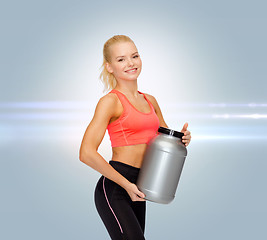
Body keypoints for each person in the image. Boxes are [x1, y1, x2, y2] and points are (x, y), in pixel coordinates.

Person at [79, 35, 191, 240]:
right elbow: (86, 153)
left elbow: (163, 141)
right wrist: (126, 184)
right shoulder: (110, 102)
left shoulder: (150, 100)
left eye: (134, 56)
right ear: (110, 67)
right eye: (121, 59)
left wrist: (181, 138)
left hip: (141, 186)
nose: (130, 63)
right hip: (116, 187)